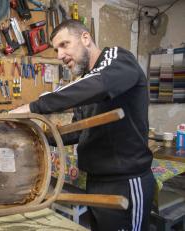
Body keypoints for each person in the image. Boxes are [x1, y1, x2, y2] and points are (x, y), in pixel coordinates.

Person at [10, 19, 155, 231]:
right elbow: (77, 131)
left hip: (126, 181)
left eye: (64, 45)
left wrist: (35, 106)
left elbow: (100, 83)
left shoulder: (118, 60)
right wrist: (36, 134)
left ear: (85, 38)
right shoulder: (87, 82)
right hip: (96, 180)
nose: (59, 56)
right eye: (56, 49)